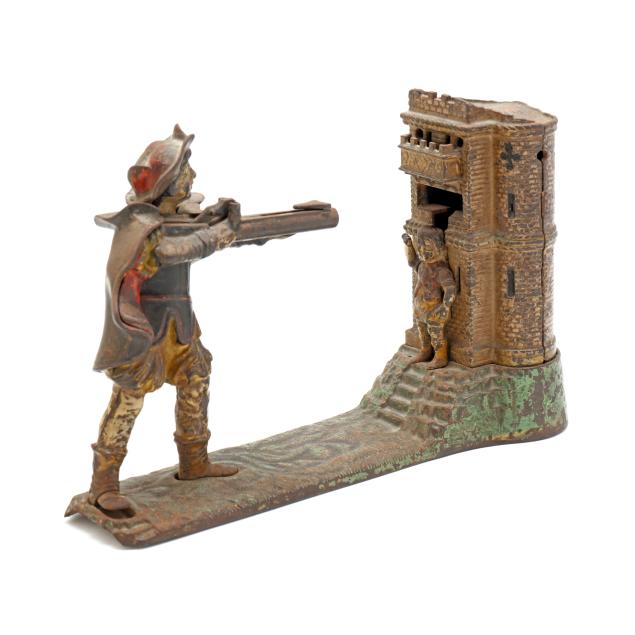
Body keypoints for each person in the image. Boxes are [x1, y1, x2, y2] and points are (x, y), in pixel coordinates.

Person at [89, 125, 240, 512]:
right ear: (167, 182)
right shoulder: (139, 225)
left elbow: (191, 236)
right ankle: (103, 485)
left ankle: (194, 462)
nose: (192, 176)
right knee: (128, 400)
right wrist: (216, 235)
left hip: (180, 327)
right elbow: (170, 252)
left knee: (196, 378)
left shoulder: (180, 219)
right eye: (185, 170)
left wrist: (218, 222)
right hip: (143, 331)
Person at [402, 225, 456, 369]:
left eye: (427, 248)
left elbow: (450, 289)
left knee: (435, 333)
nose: (422, 251)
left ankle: (440, 357)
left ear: (438, 247)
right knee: (423, 332)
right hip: (420, 308)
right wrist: (409, 246)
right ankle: (425, 351)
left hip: (435, 310)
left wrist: (444, 307)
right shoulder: (422, 266)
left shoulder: (441, 271)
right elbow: (412, 262)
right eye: (420, 247)